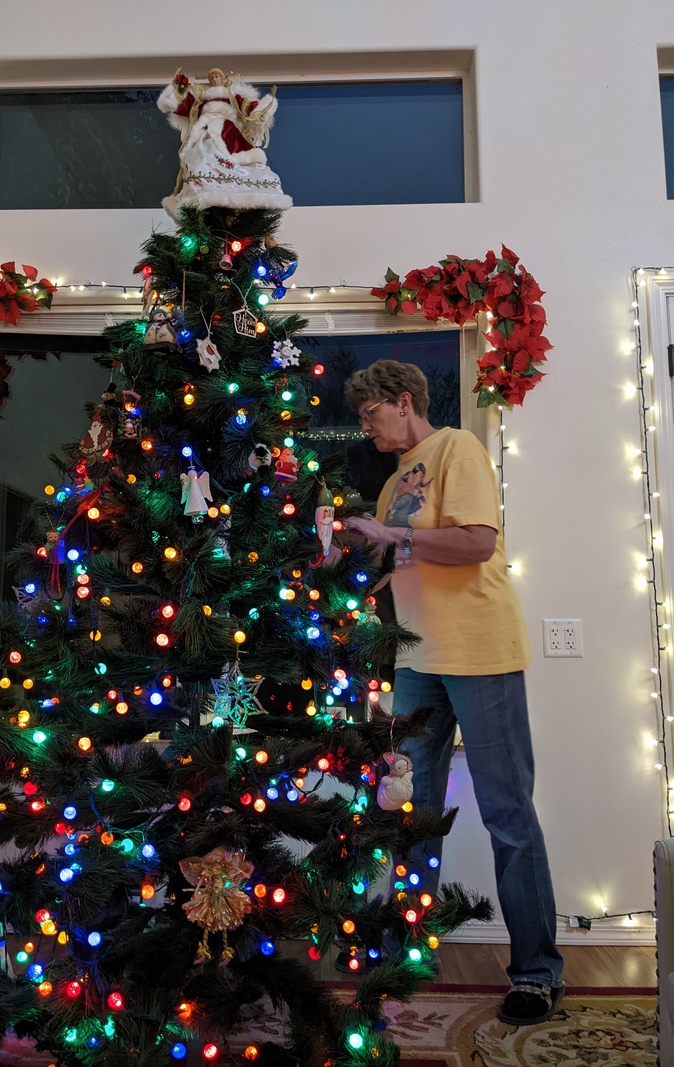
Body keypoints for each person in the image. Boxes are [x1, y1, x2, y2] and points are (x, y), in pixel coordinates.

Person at [342, 359, 564, 1027]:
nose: (365, 427)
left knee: (507, 813)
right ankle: (410, 950)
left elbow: (475, 542)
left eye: (371, 414)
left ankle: (537, 973)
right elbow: (392, 567)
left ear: (404, 400)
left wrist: (394, 534)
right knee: (412, 812)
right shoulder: (390, 488)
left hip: (480, 655)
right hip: (416, 662)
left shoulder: (456, 448)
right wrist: (348, 557)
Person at [157, 67, 292, 217]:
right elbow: (183, 107)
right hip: (206, 129)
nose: (215, 79)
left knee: (234, 159)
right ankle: (206, 188)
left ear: (223, 78)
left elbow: (248, 107)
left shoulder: (232, 96)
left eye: (217, 76)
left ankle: (233, 189)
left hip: (227, 131)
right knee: (202, 154)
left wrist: (261, 111)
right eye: (212, 77)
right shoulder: (202, 98)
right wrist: (177, 94)